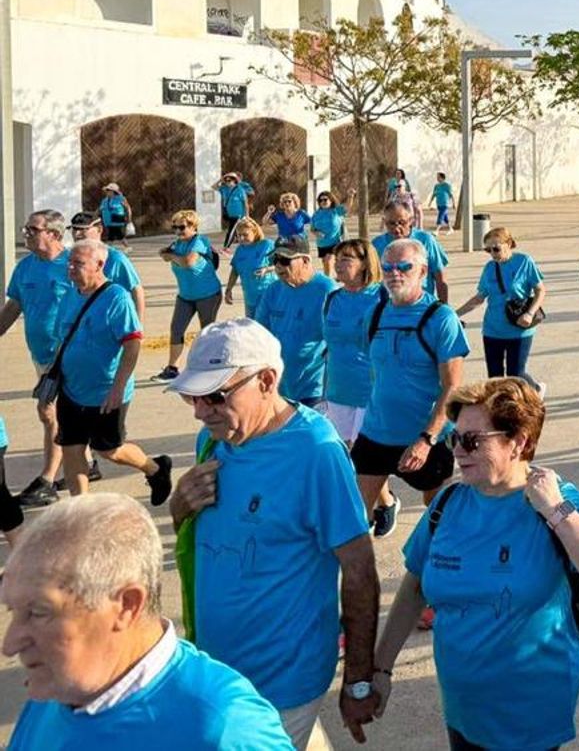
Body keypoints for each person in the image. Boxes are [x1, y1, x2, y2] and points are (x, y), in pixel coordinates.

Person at [374, 378, 579, 750]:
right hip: (462, 708)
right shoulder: (448, 504)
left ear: (518, 442)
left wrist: (555, 510)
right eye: (454, 439)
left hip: (530, 713)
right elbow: (414, 588)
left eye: (473, 440)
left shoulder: (554, 500)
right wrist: (381, 668)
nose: (459, 451)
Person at [166, 319, 382, 747]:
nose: (200, 411)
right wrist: (178, 507)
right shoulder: (213, 440)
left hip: (280, 684)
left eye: (215, 395)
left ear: (266, 380)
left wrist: (358, 680)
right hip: (218, 673)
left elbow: (360, 570)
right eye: (193, 396)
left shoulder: (317, 453)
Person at [3, 494, 295, 749]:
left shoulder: (224, 730)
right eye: (12, 611)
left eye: (38, 613)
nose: (10, 644)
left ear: (126, 605)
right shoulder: (56, 689)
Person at [352, 239, 469, 531]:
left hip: (424, 438)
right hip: (375, 432)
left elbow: (453, 387)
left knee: (440, 516)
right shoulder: (375, 314)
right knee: (353, 517)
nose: (395, 274)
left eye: (404, 267)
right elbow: (376, 370)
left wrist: (427, 439)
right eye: (388, 268)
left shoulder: (441, 318)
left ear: (423, 271)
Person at [54, 240, 172, 501]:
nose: (70, 268)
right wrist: (51, 379)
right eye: (69, 263)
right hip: (71, 389)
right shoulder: (70, 295)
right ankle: (81, 508)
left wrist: (118, 387)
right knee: (71, 448)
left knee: (109, 450)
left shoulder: (117, 297)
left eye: (78, 263)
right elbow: (62, 339)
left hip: (106, 392)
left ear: (99, 265)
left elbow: (132, 343)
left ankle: (155, 468)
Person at [320, 239, 398, 536]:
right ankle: (386, 501)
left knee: (363, 456)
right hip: (338, 388)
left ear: (365, 264)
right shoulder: (333, 298)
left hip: (371, 389)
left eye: (347, 259)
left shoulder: (382, 297)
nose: (339, 264)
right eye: (337, 258)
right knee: (345, 455)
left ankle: (360, 516)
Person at [0, 210, 71, 507]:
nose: (26, 234)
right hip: (40, 355)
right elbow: (13, 307)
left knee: (48, 411)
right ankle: (86, 462)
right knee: (65, 416)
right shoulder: (25, 267)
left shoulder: (72, 265)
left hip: (67, 355)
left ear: (53, 234)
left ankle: (47, 481)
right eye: (26, 228)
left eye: (32, 229)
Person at [455, 227, 546, 382]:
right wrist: (454, 314)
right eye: (488, 250)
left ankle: (535, 389)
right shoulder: (489, 268)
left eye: (496, 249)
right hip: (492, 330)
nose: (492, 253)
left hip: (519, 327)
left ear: (508, 244)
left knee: (515, 376)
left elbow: (540, 290)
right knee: (495, 379)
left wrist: (530, 313)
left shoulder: (524, 261)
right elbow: (479, 298)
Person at [254, 235, 337, 407]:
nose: (278, 266)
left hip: (314, 388)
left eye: (285, 260)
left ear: (305, 261)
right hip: (278, 387)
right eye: (275, 260)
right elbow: (259, 334)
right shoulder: (273, 290)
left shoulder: (327, 290)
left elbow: (336, 343)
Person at [153, 209, 223, 383]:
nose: (178, 231)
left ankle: (211, 366)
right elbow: (163, 253)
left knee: (207, 332)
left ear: (193, 227)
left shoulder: (200, 241)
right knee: (176, 329)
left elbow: (188, 262)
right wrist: (170, 254)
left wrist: (171, 256)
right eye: (175, 228)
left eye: (182, 227)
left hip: (208, 295)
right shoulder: (177, 244)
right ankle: (172, 369)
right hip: (185, 296)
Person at [69, 211, 145, 322]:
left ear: (99, 229)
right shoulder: (71, 257)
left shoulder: (115, 258)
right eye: (74, 229)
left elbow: (136, 290)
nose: (77, 234)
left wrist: (138, 325)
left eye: (83, 229)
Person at [372, 200, 451, 302]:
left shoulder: (425, 240)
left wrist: (443, 305)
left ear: (411, 220)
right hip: (389, 305)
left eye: (402, 223)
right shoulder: (376, 244)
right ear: (384, 221)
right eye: (391, 223)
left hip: (421, 303)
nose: (397, 228)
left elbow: (440, 275)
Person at [223, 217, 276, 320]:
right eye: (239, 235)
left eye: (245, 235)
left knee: (266, 325)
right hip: (250, 297)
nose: (241, 238)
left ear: (254, 232)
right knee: (251, 325)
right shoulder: (239, 250)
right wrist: (228, 289)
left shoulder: (267, 245)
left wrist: (267, 269)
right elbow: (235, 271)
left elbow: (283, 265)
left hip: (267, 295)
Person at [309, 191, 347, 275]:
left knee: (329, 261)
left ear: (331, 200)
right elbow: (312, 229)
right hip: (322, 244)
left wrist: (351, 196)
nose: (323, 202)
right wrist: (316, 233)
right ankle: (328, 279)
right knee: (326, 264)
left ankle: (330, 280)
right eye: (320, 200)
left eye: (325, 199)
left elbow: (347, 208)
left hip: (335, 242)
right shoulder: (316, 214)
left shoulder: (336, 211)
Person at [212, 173, 254, 245]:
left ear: (234, 180)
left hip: (239, 215)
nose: (227, 182)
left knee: (231, 231)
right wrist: (220, 180)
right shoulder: (224, 189)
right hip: (230, 214)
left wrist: (247, 216)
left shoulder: (240, 189)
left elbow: (245, 203)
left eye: (229, 180)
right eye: (226, 181)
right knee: (239, 230)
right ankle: (245, 242)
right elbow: (213, 187)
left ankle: (226, 247)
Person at [98, 183, 134, 249]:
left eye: (108, 190)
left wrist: (129, 218)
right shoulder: (104, 201)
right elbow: (100, 210)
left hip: (117, 220)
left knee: (116, 235)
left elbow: (127, 208)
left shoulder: (121, 199)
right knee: (116, 235)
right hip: (108, 221)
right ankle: (126, 247)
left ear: (113, 192)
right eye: (107, 190)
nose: (107, 192)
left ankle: (125, 247)